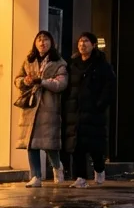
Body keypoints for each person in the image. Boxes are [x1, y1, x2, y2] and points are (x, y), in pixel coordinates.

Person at [14, 31, 68, 187]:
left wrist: (42, 81)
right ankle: (36, 176)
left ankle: (57, 168)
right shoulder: (28, 60)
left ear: (51, 43)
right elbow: (17, 79)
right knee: (31, 143)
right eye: (39, 40)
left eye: (45, 39)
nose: (42, 42)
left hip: (48, 107)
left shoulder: (59, 63)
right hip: (30, 107)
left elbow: (61, 84)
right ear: (35, 43)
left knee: (49, 144)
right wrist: (25, 80)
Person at [64, 32, 115, 188]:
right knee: (76, 145)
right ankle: (80, 178)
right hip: (76, 111)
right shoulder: (73, 64)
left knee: (95, 146)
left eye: (86, 41)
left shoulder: (102, 65)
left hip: (94, 112)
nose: (82, 44)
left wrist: (100, 104)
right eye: (80, 42)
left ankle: (99, 169)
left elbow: (109, 87)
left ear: (93, 45)